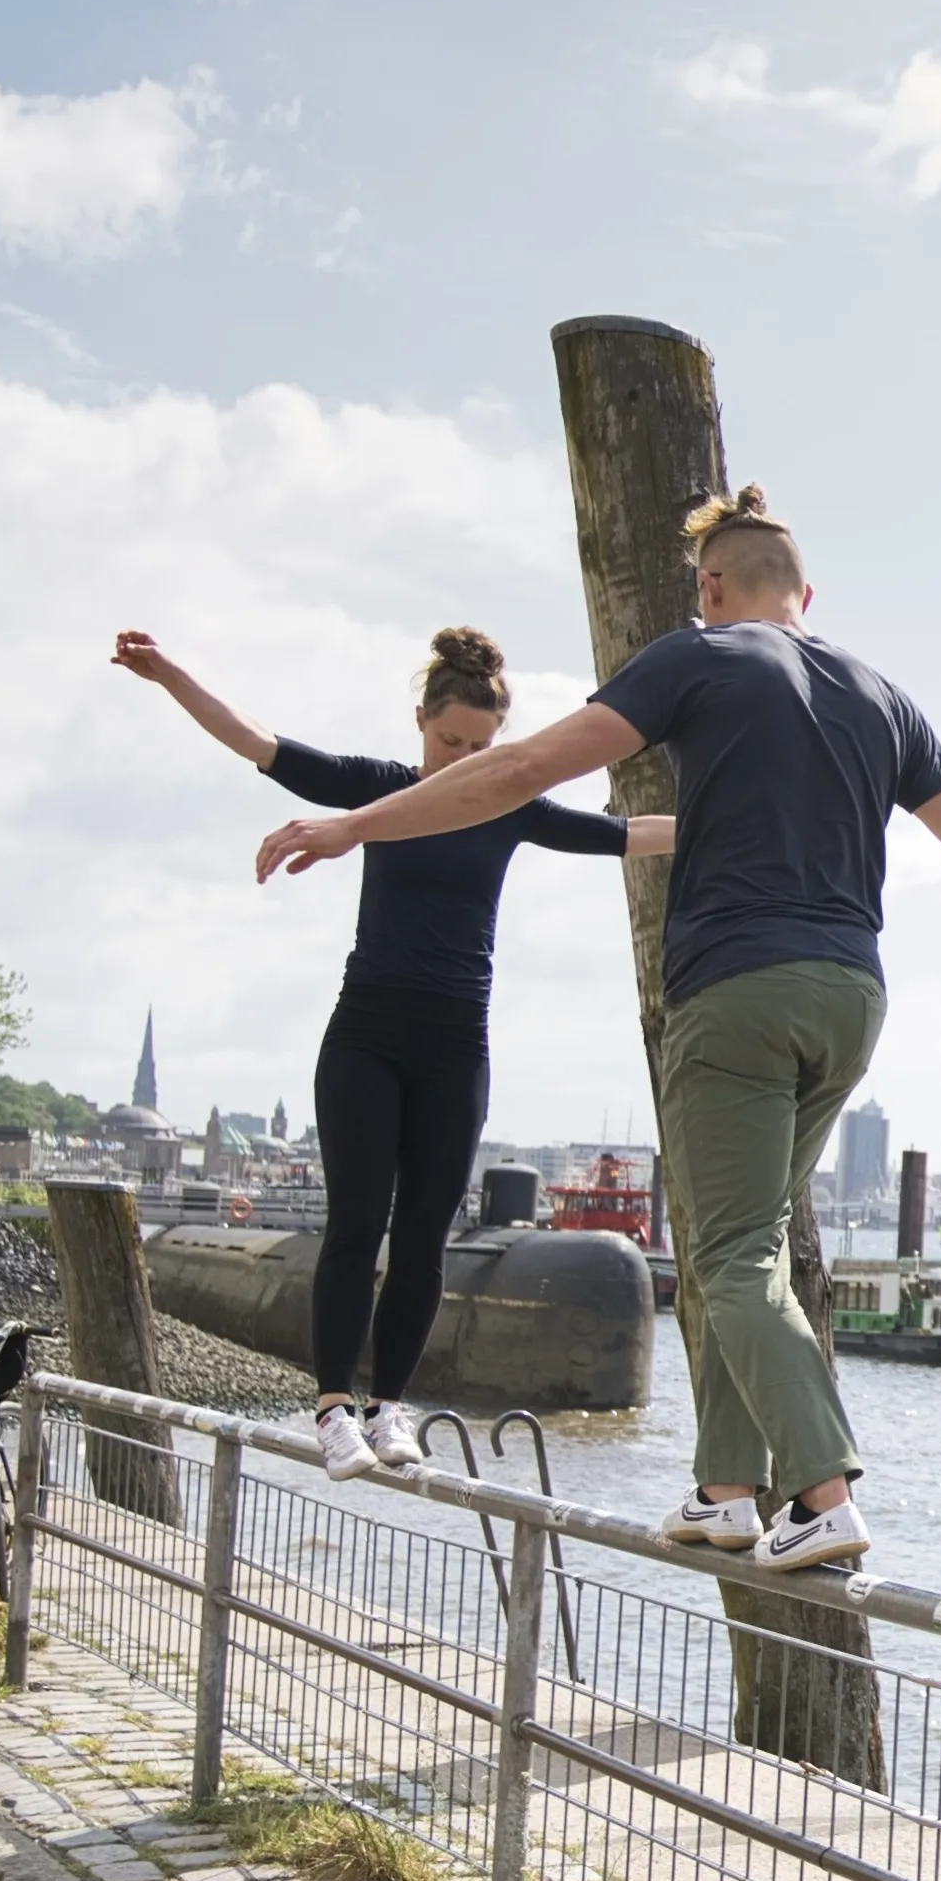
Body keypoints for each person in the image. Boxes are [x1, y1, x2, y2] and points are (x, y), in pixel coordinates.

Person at [251, 487, 941, 1572]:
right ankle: (724, 1490)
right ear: (806, 592)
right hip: (850, 998)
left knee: (734, 1254)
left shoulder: (694, 659)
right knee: (729, 1245)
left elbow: (512, 774)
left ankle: (822, 1492)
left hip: (736, 994)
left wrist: (352, 829)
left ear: (710, 590)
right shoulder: (886, 697)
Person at [115, 625, 670, 1479]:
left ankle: (389, 1411)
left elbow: (629, 836)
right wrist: (168, 675)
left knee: (423, 1240)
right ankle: (334, 1409)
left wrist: (752, 821)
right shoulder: (379, 791)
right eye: (450, 742)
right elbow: (257, 745)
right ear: (420, 720)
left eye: (481, 748)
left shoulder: (509, 803)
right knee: (355, 1224)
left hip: (456, 1046)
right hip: (366, 1036)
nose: (463, 761)